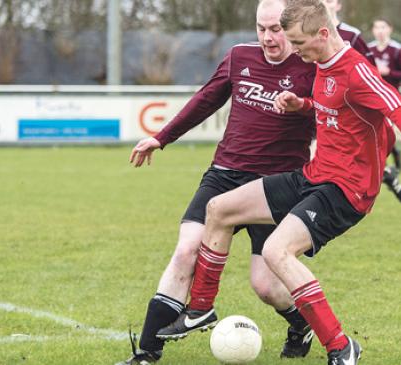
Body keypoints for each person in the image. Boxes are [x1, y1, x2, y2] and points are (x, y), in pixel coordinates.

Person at [159, 1, 401, 364]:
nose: (293, 50)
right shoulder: (321, 65)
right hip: (312, 175)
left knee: (275, 251)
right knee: (220, 208)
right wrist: (303, 106)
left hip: (345, 191)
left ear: (323, 34)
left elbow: (399, 110)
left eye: (298, 43)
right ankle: (201, 308)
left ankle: (341, 346)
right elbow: (333, 109)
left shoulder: (356, 70)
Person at [117, 1, 317, 363]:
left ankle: (301, 323)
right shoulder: (240, 57)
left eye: (276, 29)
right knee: (185, 250)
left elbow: (333, 115)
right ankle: (147, 352)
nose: (268, 37)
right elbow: (205, 99)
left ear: (292, 26)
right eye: (261, 28)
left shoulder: (310, 65)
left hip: (277, 184)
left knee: (267, 286)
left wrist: (303, 106)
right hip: (226, 173)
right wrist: (161, 137)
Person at [321, 0, 401, 203]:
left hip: (348, 109)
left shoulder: (352, 35)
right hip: (318, 105)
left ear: (338, 5)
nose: (324, 3)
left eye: (330, 0)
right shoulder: (309, 32)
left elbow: (370, 71)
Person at [369, 18, 401, 173]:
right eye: (377, 27)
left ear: (390, 29)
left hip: (391, 98)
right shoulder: (369, 49)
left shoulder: (396, 49)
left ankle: (385, 163)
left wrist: (389, 72)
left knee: (386, 132)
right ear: (373, 30)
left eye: (383, 27)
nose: (380, 30)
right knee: (375, 131)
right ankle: (388, 158)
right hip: (372, 97)